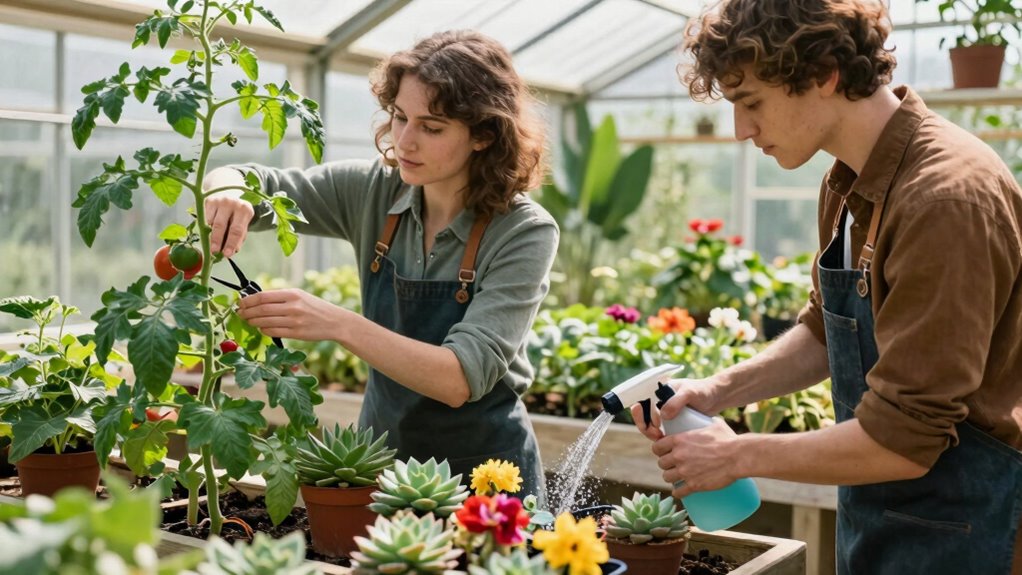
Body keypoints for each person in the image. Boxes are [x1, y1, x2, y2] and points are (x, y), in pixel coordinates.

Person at [633, 1, 1022, 573]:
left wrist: (737, 454)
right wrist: (718, 390)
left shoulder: (944, 199)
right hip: (883, 512)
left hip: (966, 525)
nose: (742, 130)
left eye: (751, 102)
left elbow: (905, 440)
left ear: (822, 74)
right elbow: (824, 332)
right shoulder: (846, 183)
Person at [202, 30, 557, 500]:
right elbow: (256, 182)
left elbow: (458, 379)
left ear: (484, 135)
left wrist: (336, 324)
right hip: (380, 466)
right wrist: (225, 188)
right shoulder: (375, 190)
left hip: (487, 481)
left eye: (431, 127)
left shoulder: (523, 231)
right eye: (398, 116)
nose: (404, 141)